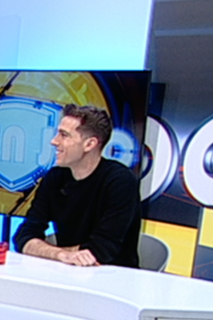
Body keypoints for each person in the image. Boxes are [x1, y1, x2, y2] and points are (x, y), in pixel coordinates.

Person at [12, 104, 141, 267]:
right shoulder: (55, 177)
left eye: (64, 135)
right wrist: (61, 255)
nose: (54, 141)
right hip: (67, 272)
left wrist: (49, 252)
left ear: (89, 144)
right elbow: (23, 237)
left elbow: (100, 251)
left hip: (113, 275)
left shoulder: (120, 182)